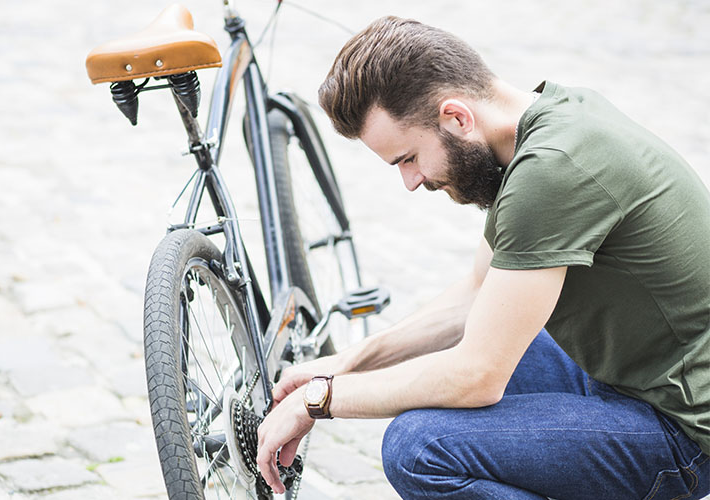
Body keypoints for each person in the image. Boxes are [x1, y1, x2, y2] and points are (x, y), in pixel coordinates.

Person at [256, 15, 710, 500]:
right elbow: (476, 294)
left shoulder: (552, 171)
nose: (411, 182)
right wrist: (344, 365)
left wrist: (319, 401)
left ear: (456, 117)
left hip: (683, 427)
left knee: (419, 448)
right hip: (629, 371)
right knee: (450, 357)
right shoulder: (547, 118)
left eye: (408, 158)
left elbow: (477, 378)